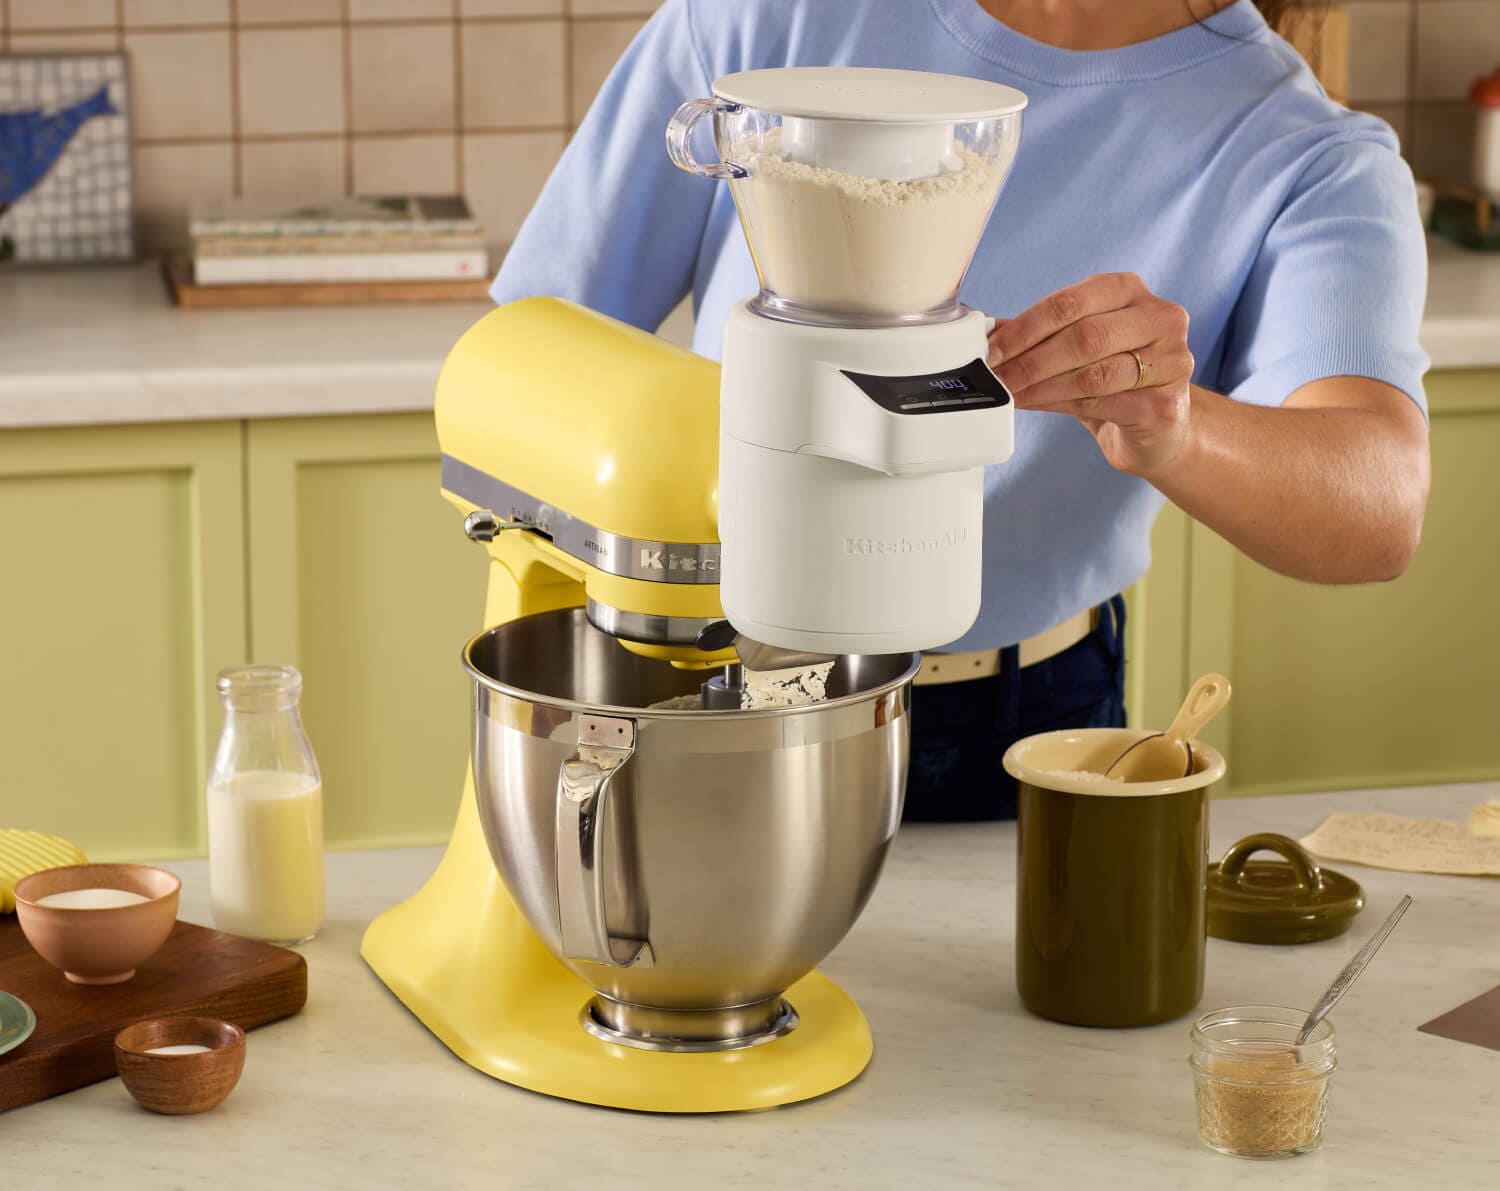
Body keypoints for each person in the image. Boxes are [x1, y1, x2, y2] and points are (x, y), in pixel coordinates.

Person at [491, 0, 1431, 821]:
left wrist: (1175, 424)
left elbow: (1378, 509)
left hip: (1026, 721)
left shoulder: (1303, 151)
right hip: (707, 677)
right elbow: (524, 353)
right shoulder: (764, 20)